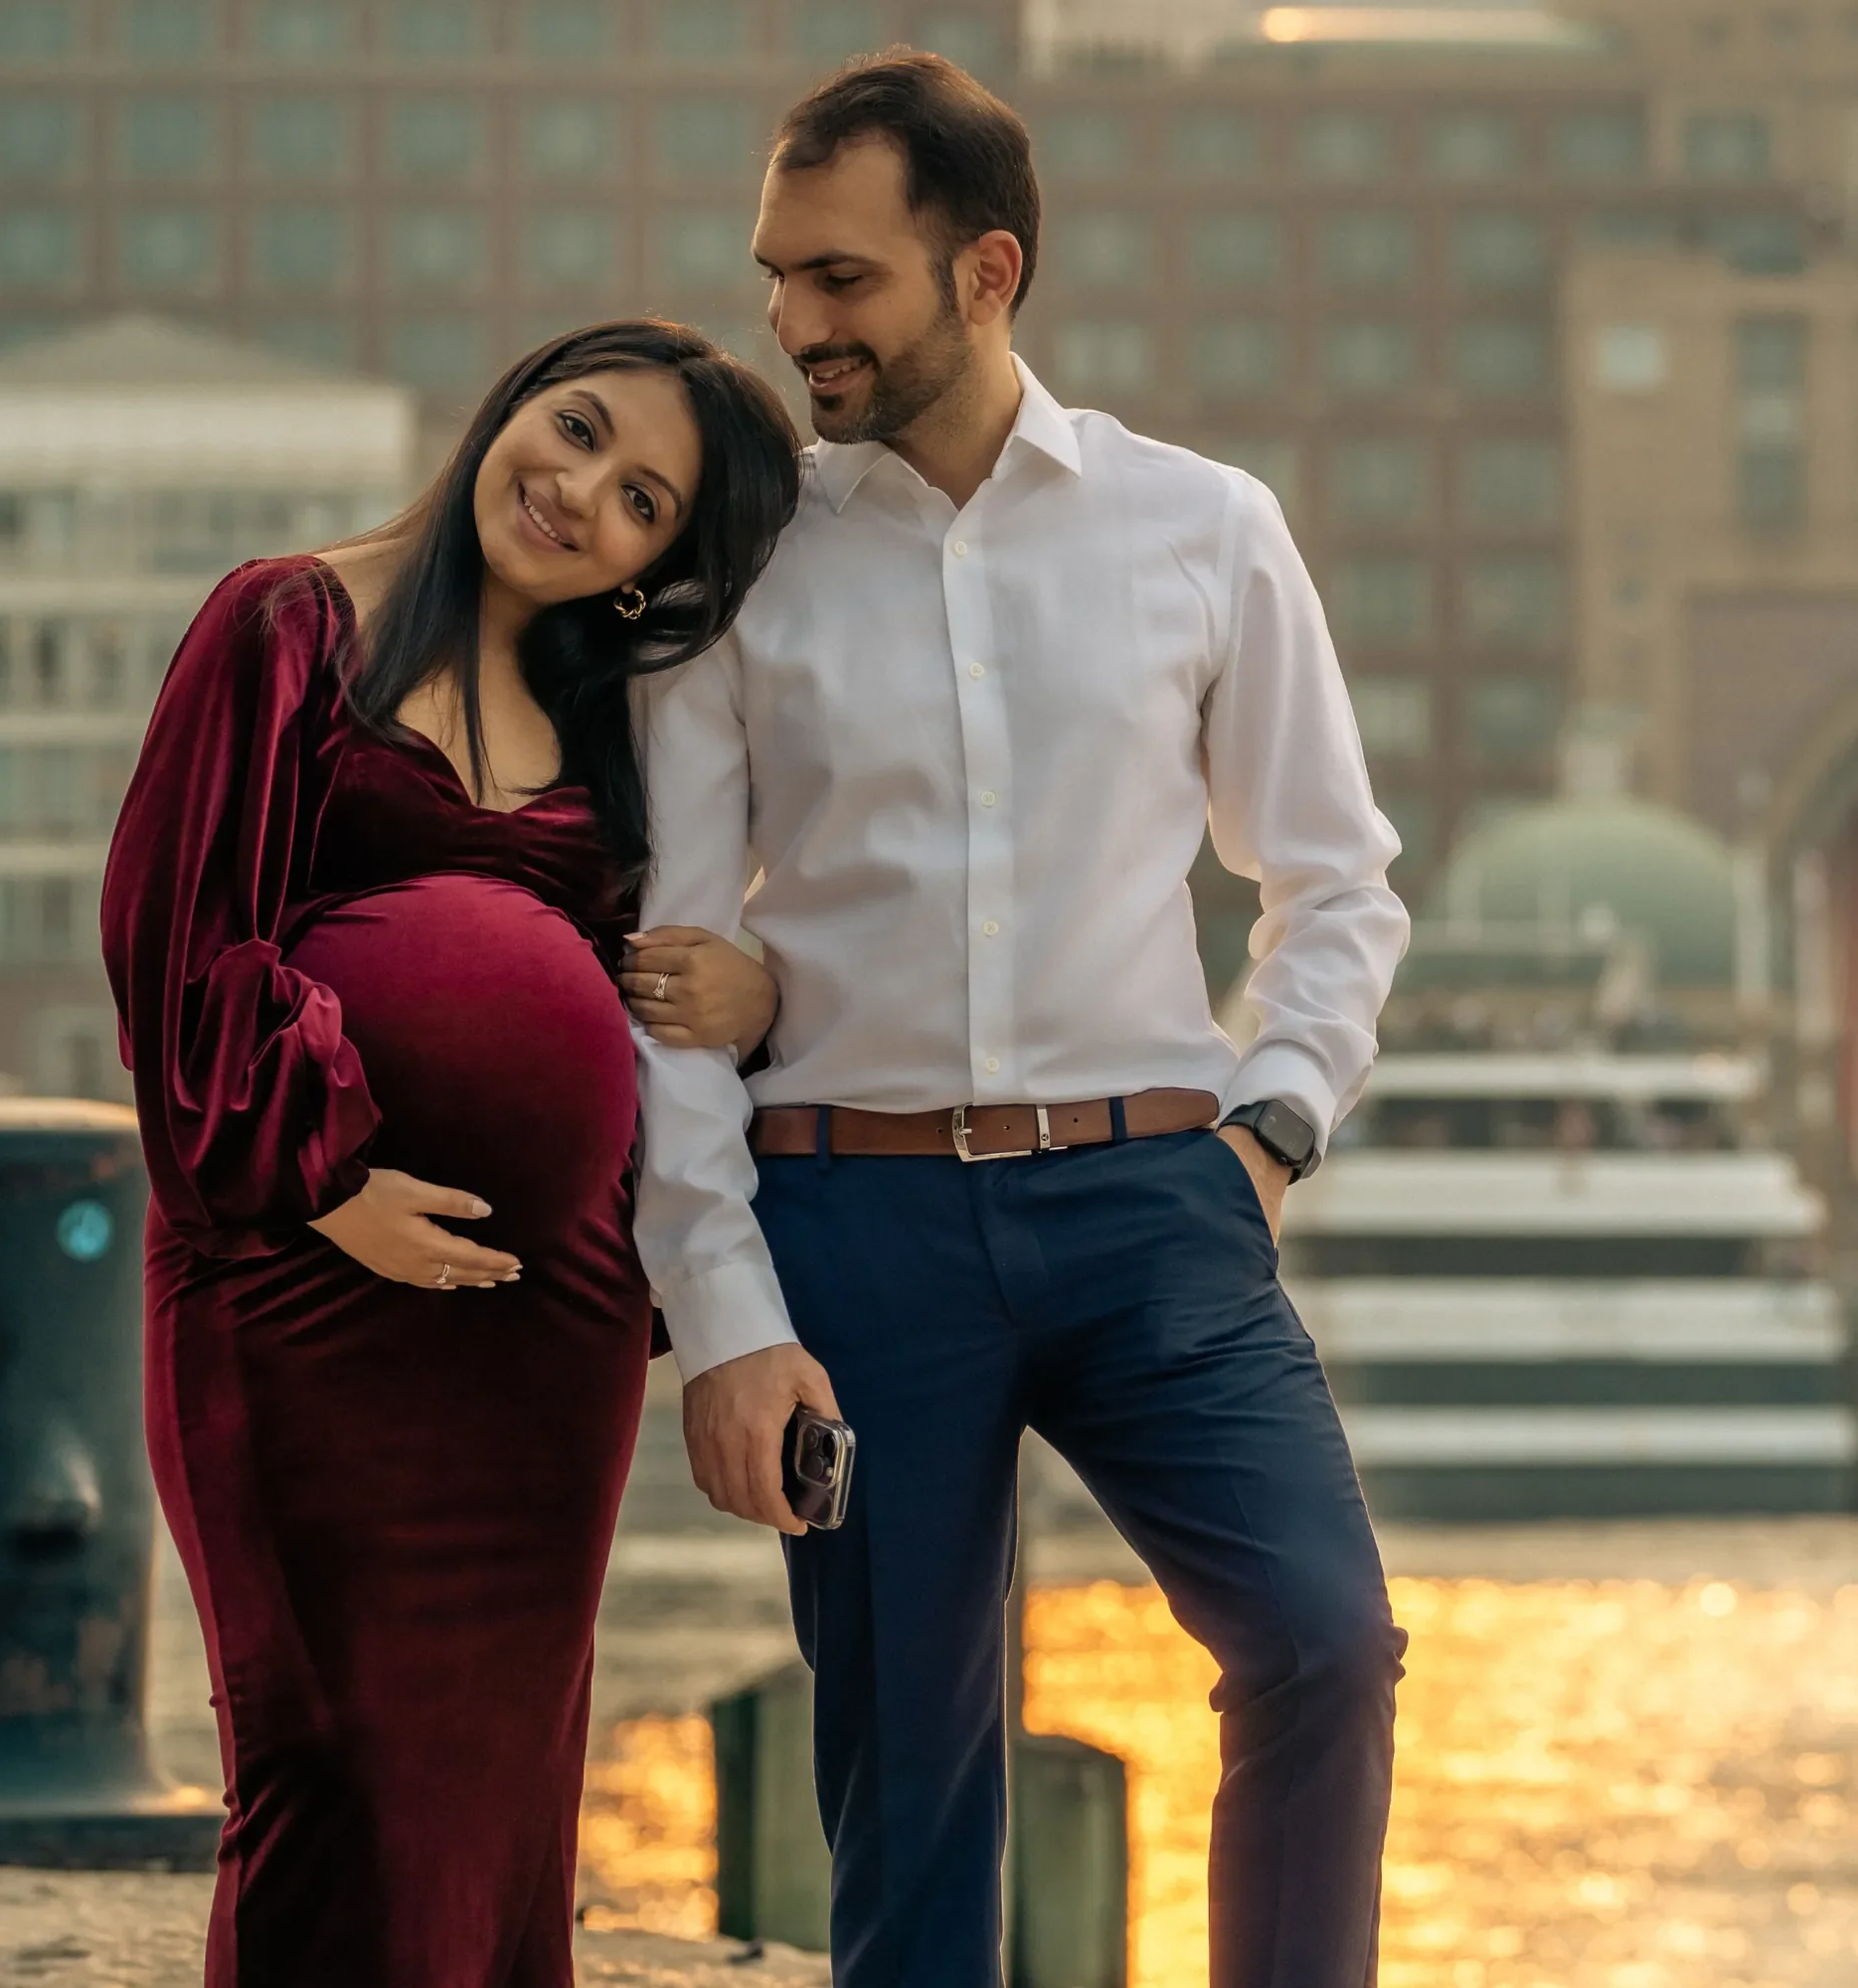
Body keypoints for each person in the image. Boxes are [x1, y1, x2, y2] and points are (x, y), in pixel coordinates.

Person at [630, 57, 1412, 1988]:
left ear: (986, 272)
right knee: (912, 1786)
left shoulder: (1203, 527)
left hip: (1156, 1208)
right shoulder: (739, 568)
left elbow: (1334, 882)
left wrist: (1269, 1130)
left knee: (1322, 1643)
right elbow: (669, 976)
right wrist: (725, 1318)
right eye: (775, 275)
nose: (792, 323)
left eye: (840, 278)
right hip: (857, 1228)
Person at [101, 320, 799, 1988]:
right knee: (327, 1765)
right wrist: (328, 1182)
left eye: (642, 503)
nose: (579, 493)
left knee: (502, 1789)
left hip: (542, 1336)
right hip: (293, 1290)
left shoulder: (611, 727)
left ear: (653, 570)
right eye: (579, 430)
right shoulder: (286, 624)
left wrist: (759, 989)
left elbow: (653, 992)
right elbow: (172, 934)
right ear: (515, 402)